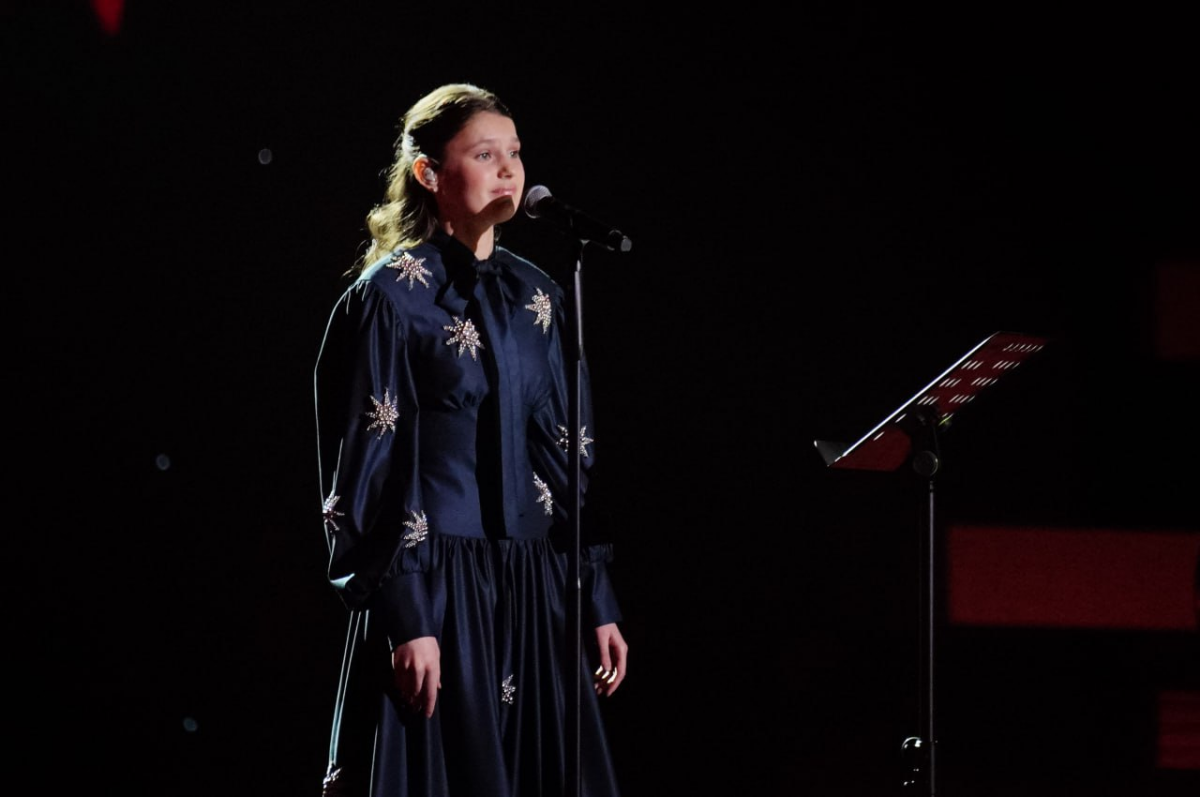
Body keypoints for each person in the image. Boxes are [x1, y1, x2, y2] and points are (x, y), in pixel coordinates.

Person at [313, 82, 628, 797]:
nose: (508, 168)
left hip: (534, 585)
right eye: (484, 154)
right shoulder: (390, 298)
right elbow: (366, 465)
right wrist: (406, 615)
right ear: (429, 172)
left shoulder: (537, 295)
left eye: (514, 152)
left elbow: (566, 454)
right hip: (437, 582)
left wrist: (595, 595)